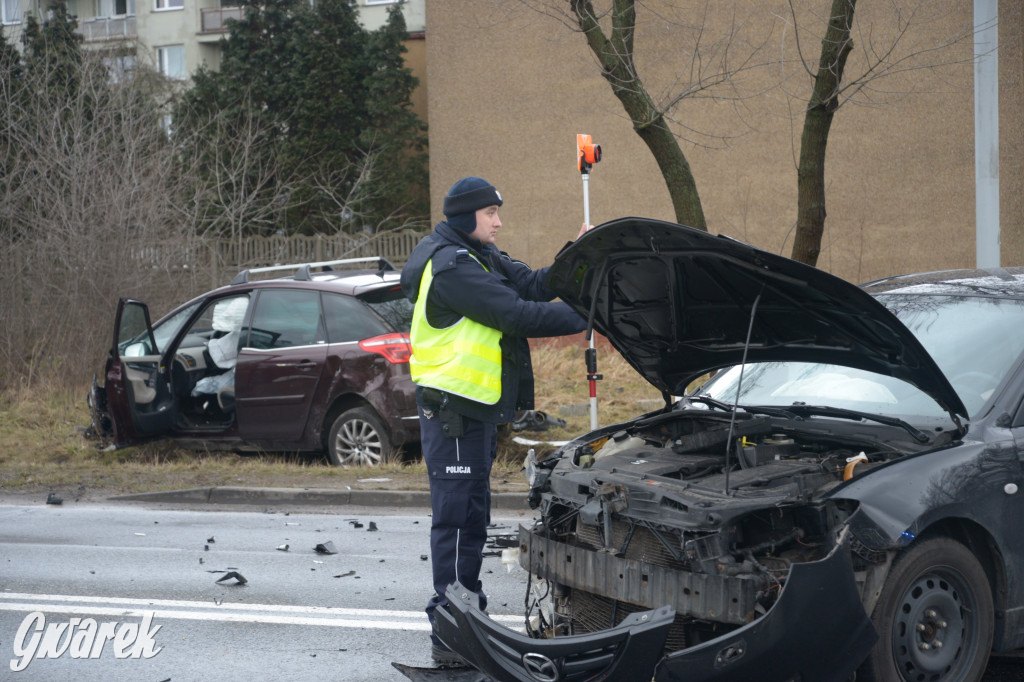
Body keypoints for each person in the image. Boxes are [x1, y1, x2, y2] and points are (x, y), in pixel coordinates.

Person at [400, 176, 589, 666]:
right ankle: (451, 631)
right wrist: (587, 314)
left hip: (474, 410)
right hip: (453, 412)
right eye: (491, 215)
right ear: (468, 218)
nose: (499, 223)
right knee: (458, 521)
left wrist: (583, 257)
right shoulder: (452, 268)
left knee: (473, 518)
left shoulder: (477, 253)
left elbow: (533, 283)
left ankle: (468, 617)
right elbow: (519, 313)